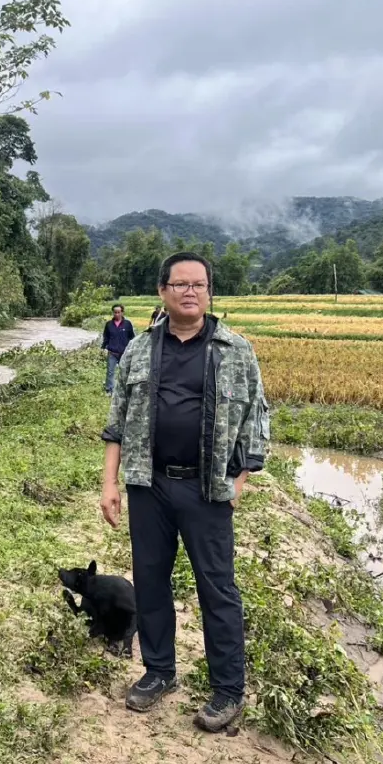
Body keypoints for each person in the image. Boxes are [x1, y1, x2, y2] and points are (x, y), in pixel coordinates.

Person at [100, 252, 269, 732]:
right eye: (180, 284)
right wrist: (110, 484)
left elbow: (256, 422)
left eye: (198, 284)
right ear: (162, 292)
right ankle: (158, 672)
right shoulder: (138, 349)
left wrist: (239, 481)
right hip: (148, 486)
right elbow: (116, 423)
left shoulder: (235, 350)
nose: (189, 291)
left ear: (209, 291)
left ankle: (228, 690)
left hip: (207, 490)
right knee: (150, 582)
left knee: (218, 589)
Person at [101, 303, 137, 394]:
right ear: (113, 313)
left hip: (124, 352)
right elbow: (106, 337)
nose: (117, 314)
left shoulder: (127, 324)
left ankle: (124, 389)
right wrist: (103, 348)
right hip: (112, 352)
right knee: (110, 372)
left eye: (118, 312)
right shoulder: (109, 324)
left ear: (122, 313)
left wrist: (132, 349)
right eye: (115, 312)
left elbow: (132, 337)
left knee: (125, 371)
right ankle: (109, 390)